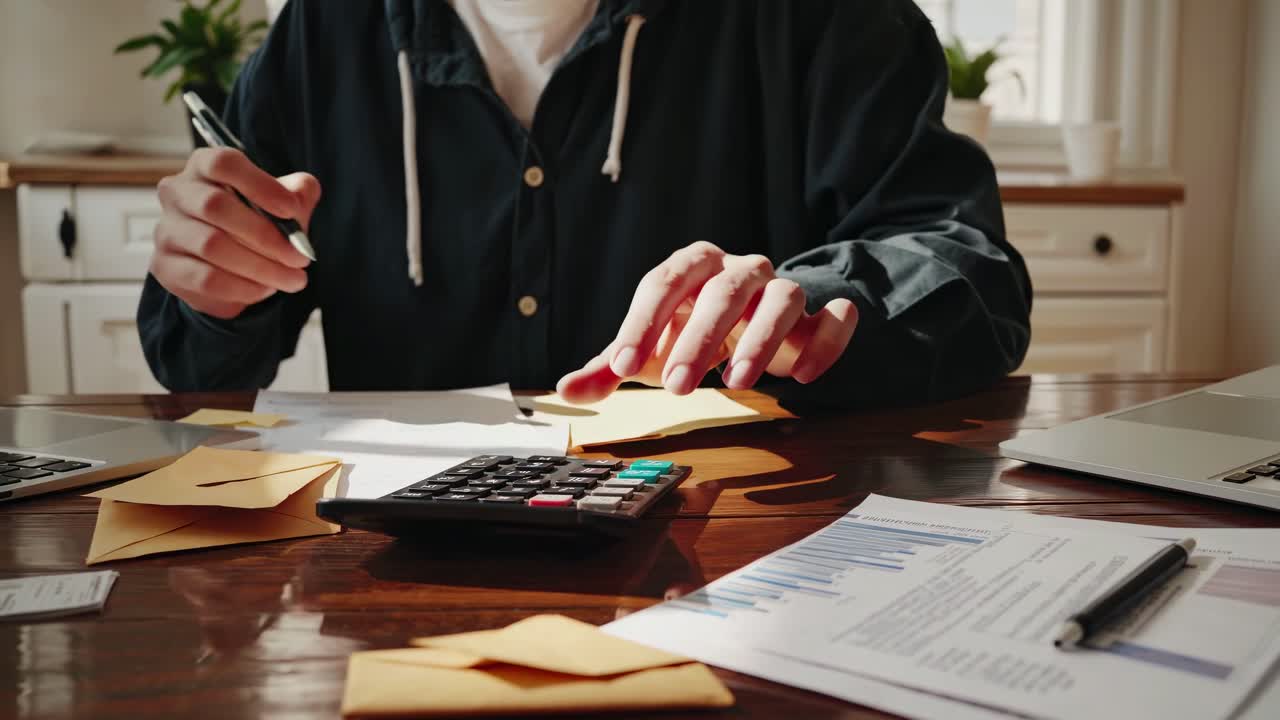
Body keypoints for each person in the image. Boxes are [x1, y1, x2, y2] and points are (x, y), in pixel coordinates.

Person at [138, 0, 1032, 410]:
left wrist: (830, 299)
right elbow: (193, 364)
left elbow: (968, 270)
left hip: (749, 558)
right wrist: (212, 288)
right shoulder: (324, 34)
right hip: (403, 570)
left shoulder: (825, 20)